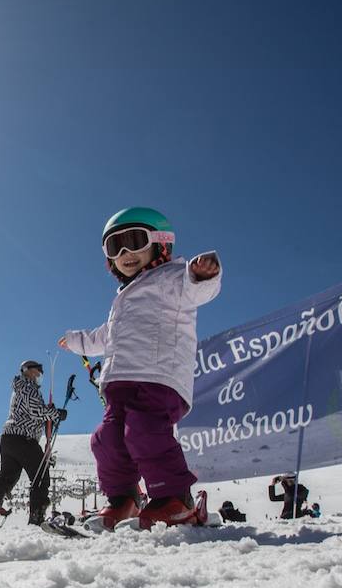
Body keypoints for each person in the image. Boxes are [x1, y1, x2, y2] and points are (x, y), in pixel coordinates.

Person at [59, 207, 221, 530]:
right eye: (114, 247)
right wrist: (75, 341)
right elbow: (103, 337)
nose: (124, 254)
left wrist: (203, 274)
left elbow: (196, 289)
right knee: (106, 440)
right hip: (119, 384)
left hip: (157, 378)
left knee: (144, 433)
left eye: (134, 241)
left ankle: (174, 498)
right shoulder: (121, 301)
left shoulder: (173, 277)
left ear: (160, 243)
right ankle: (124, 500)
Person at [0, 361, 61, 527]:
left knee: (6, 478)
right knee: (41, 476)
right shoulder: (28, 387)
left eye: (41, 373)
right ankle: (36, 519)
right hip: (23, 439)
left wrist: (48, 417)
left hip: (9, 440)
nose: (39, 375)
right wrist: (55, 413)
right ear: (27, 371)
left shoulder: (20, 388)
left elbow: (32, 412)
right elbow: (36, 411)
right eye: (37, 372)